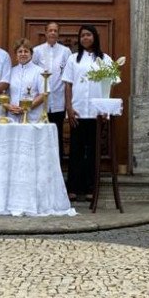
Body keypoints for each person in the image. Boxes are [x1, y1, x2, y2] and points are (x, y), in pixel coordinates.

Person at [62, 24, 112, 201]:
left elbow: (107, 85)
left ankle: (91, 188)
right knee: (75, 151)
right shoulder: (73, 59)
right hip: (77, 111)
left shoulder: (105, 59)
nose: (85, 38)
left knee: (92, 152)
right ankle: (73, 188)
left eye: (88, 35)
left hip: (96, 113)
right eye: (82, 35)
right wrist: (68, 106)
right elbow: (68, 84)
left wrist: (106, 108)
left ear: (95, 37)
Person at [31, 21, 71, 156]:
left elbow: (68, 75)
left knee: (56, 134)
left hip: (59, 100)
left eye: (55, 31)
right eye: (50, 30)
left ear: (58, 33)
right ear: (46, 32)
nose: (53, 33)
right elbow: (33, 72)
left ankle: (57, 167)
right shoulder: (37, 51)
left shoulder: (66, 51)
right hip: (40, 102)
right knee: (40, 134)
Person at [5, 39, 46, 123]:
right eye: (20, 51)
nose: (23, 54)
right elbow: (5, 94)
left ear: (31, 54)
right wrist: (8, 106)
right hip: (13, 117)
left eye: (26, 51)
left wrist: (26, 108)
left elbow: (43, 95)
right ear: (16, 55)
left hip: (32, 117)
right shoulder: (11, 72)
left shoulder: (39, 71)